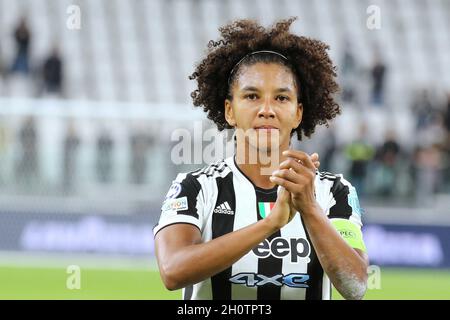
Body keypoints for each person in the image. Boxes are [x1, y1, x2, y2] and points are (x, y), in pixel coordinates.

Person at [154, 18, 368, 300]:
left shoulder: (335, 191)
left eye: (281, 98)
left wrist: (311, 209)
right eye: (252, 96)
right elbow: (172, 271)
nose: (266, 109)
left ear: (298, 113)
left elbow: (356, 287)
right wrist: (269, 225)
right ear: (230, 111)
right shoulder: (195, 187)